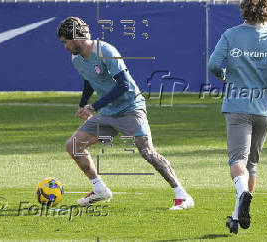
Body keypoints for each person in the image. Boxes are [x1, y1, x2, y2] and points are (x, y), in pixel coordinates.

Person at [57, 16, 194, 210]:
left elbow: (124, 85)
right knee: (73, 146)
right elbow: (89, 80)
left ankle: (183, 195)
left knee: (147, 152)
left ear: (78, 37)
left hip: (131, 109)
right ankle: (100, 190)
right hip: (109, 112)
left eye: (66, 41)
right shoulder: (76, 59)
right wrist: (83, 104)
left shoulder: (105, 51)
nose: (64, 47)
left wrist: (94, 107)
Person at [208, 0, 267, 234]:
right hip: (264, 107)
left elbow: (213, 64)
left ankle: (242, 195)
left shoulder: (231, 34)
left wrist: (224, 76)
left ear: (244, 7)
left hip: (237, 105)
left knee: (237, 162)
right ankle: (236, 216)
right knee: (252, 165)